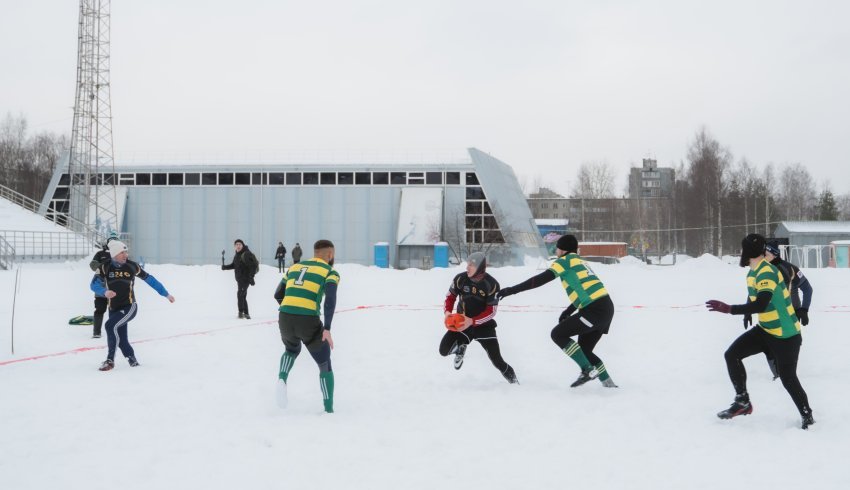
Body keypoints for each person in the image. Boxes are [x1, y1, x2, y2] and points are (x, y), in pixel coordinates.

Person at [706, 233, 814, 429]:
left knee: (788, 379)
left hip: (786, 334)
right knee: (732, 355)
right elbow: (757, 299)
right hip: (766, 329)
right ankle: (742, 402)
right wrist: (746, 312)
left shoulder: (767, 272)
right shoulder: (753, 272)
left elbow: (762, 304)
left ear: (747, 251)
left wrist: (731, 309)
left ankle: (807, 415)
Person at [499, 235, 618, 388]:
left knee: (558, 334)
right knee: (584, 351)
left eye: (557, 247)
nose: (556, 250)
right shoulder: (580, 261)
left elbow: (540, 280)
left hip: (594, 309)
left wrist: (511, 290)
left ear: (563, 250)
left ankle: (587, 370)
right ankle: (609, 386)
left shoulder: (564, 261)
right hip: (605, 307)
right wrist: (568, 311)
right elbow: (584, 289)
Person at [273, 239, 340, 413]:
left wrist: (290, 310)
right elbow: (330, 300)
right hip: (308, 319)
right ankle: (328, 409)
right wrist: (327, 328)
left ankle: (282, 378)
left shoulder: (295, 267)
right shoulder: (330, 272)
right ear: (330, 254)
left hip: (285, 316)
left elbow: (278, 294)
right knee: (324, 362)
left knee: (291, 349)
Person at [90, 240, 175, 371]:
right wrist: (104, 292)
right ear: (114, 254)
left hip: (129, 307)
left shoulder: (132, 266)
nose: (125, 255)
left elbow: (150, 279)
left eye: (126, 252)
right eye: (122, 252)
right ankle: (133, 362)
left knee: (109, 325)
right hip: (113, 308)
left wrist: (165, 294)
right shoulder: (104, 267)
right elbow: (93, 285)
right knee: (122, 339)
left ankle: (110, 360)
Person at [440, 252, 517, 383]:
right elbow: (450, 296)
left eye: (471, 265)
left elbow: (491, 311)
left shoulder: (491, 284)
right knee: (444, 350)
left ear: (480, 267)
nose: (467, 267)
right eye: (467, 264)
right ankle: (461, 348)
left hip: (484, 326)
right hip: (462, 323)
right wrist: (447, 312)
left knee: (497, 360)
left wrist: (473, 321)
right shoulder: (460, 279)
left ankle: (515, 382)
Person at [761, 240, 814, 379]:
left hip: (791, 314)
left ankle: (786, 375)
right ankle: (778, 375)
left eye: (765, 253)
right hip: (771, 315)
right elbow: (755, 292)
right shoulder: (762, 271)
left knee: (791, 344)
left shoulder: (789, 268)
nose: (762, 256)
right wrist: (748, 310)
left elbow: (808, 289)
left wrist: (804, 310)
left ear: (773, 253)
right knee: (768, 345)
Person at [87, 232, 119, 338]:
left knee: (116, 310)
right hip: (101, 288)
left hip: (116, 288)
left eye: (115, 240)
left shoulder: (121, 254)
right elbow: (92, 265)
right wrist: (105, 267)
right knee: (99, 309)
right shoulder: (101, 254)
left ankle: (115, 331)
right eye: (111, 240)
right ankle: (96, 332)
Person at [222, 239, 259, 319]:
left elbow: (253, 266)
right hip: (239, 279)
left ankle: (240, 313)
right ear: (235, 246)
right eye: (236, 245)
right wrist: (225, 267)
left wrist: (251, 277)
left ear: (243, 245)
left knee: (240, 294)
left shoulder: (246, 254)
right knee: (243, 295)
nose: (238, 246)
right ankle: (246, 313)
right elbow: (234, 265)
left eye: (239, 244)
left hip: (246, 279)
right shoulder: (237, 255)